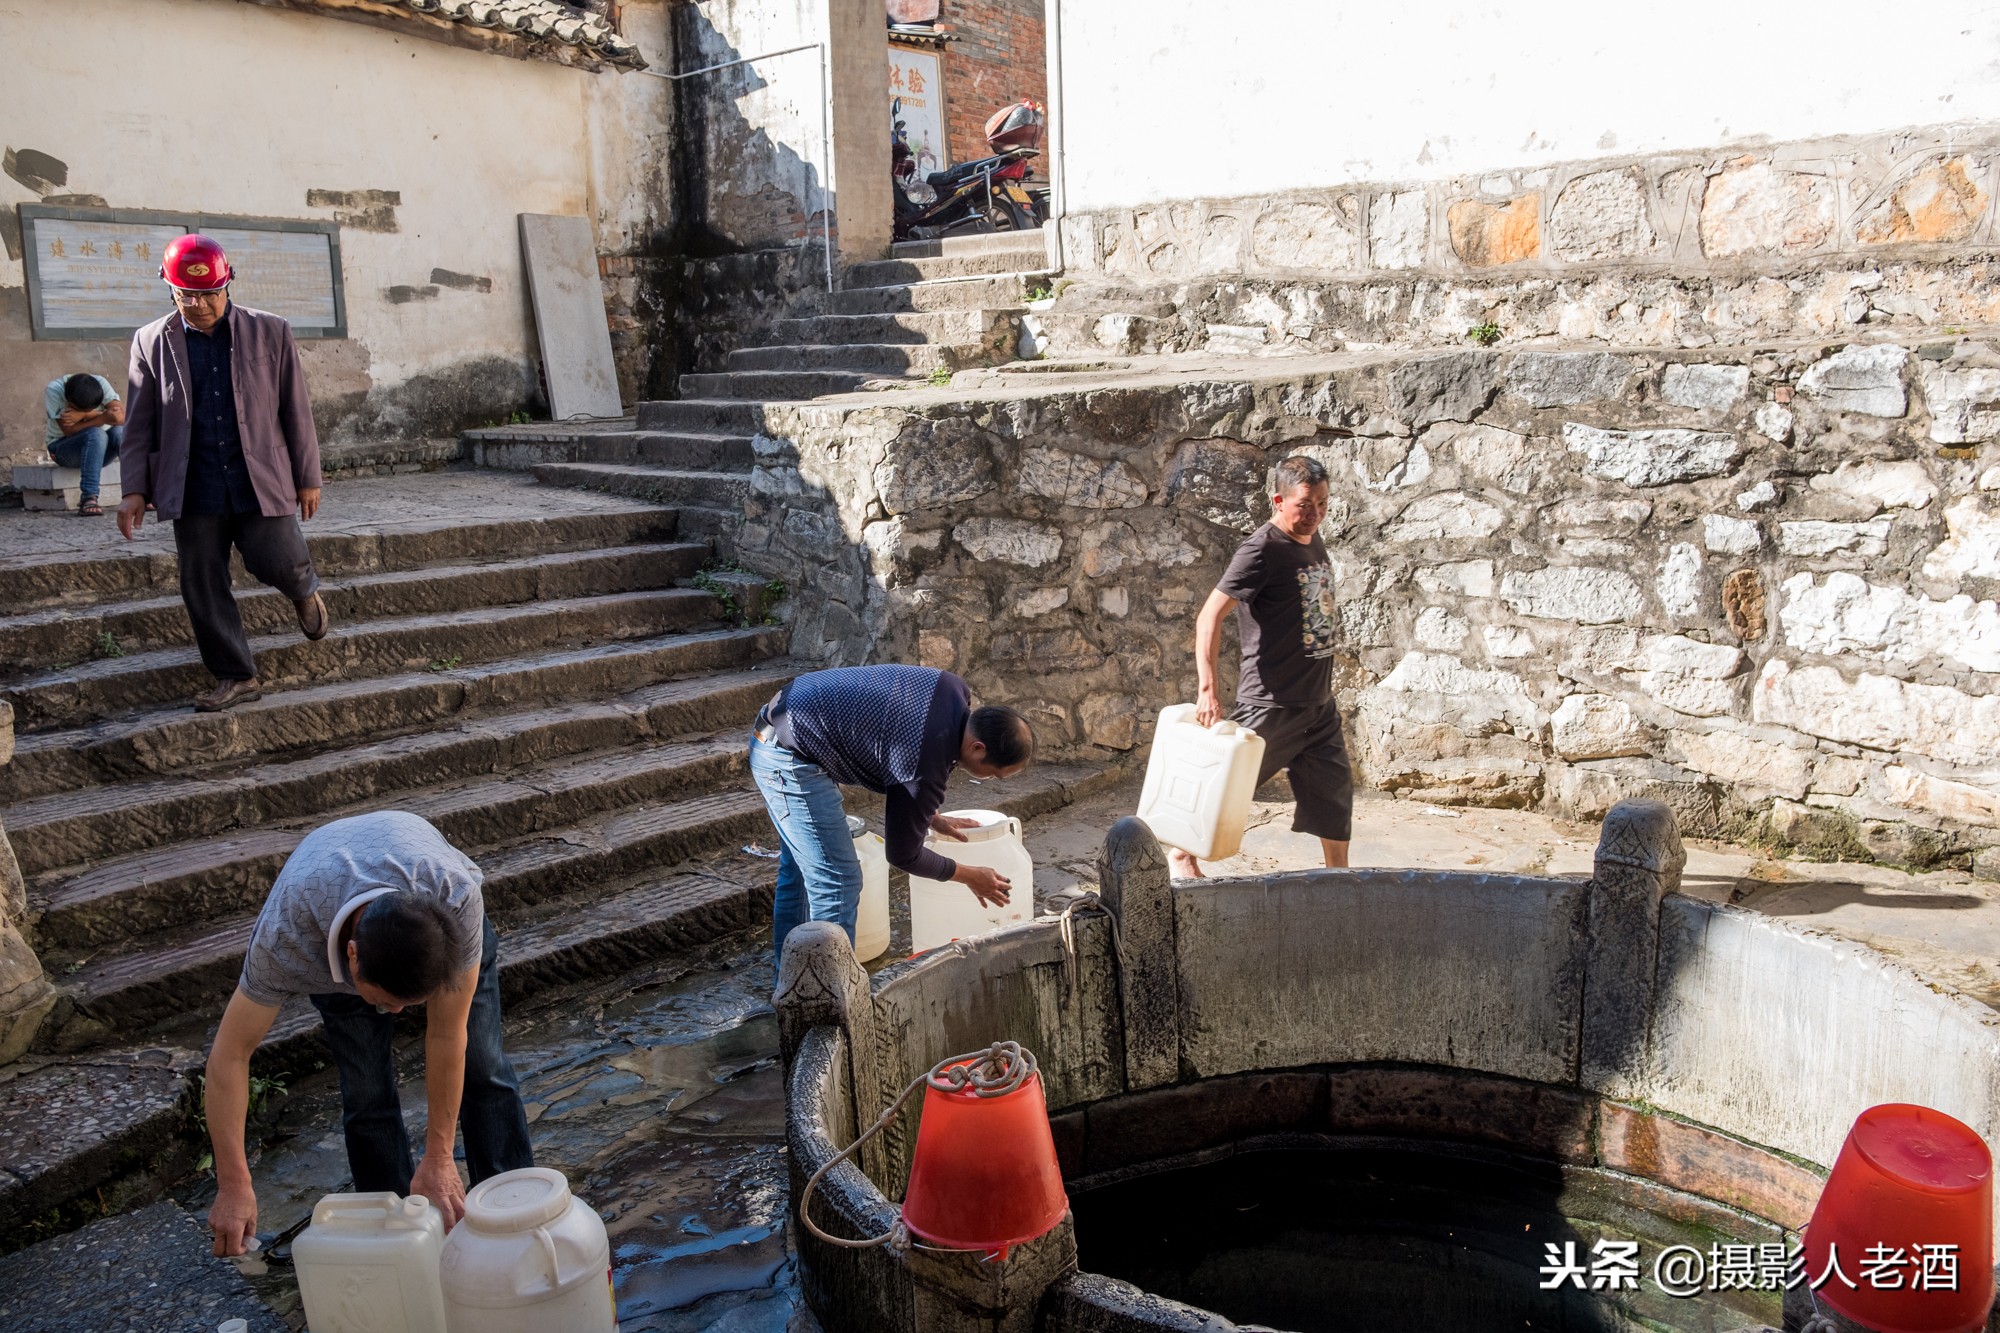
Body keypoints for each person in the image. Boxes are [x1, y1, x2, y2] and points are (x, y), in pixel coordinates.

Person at [204, 810, 534, 1258]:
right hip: (323, 914)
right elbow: (229, 1056)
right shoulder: (286, 941)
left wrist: (438, 1155)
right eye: (385, 1001)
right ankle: (397, 1240)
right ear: (352, 957)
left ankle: (511, 1213)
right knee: (366, 1092)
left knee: (484, 1063)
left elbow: (445, 1033)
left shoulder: (456, 898)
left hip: (428, 900)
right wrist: (234, 1184)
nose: (396, 1014)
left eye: (407, 1004)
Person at [117, 232, 329, 713]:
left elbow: (295, 408)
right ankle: (236, 674)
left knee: (278, 556)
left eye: (211, 293)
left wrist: (307, 475)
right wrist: (134, 490)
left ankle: (303, 591)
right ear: (171, 290)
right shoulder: (150, 342)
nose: (201, 304)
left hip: (260, 473)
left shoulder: (270, 330)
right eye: (188, 294)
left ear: (227, 284)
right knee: (202, 581)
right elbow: (139, 423)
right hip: (192, 481)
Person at [750, 664, 1035, 960]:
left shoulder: (953, 689)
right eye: (993, 774)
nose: (988, 780)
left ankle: (789, 982)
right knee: (838, 880)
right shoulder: (926, 760)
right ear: (978, 748)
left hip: (786, 720)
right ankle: (827, 997)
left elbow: (895, 750)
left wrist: (929, 816)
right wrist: (970, 876)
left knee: (798, 871)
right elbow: (903, 855)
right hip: (788, 756)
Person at [1172, 453, 1354, 878]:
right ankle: (1182, 854)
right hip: (1272, 700)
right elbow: (1209, 616)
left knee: (1334, 792)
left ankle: (1339, 879)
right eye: (1305, 505)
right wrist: (1207, 690)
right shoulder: (1261, 549)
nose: (1315, 514)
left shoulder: (1312, 539)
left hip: (1316, 703)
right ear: (1278, 500)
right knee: (1227, 787)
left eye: (1323, 504)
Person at [43, 372, 124, 517]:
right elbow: (69, 430)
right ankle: (89, 497)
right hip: (65, 448)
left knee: (120, 432)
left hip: (102, 448)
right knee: (96, 434)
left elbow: (121, 417)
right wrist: (104, 416)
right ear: (69, 402)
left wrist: (85, 416)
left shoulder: (100, 383)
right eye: (79, 410)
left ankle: (140, 491)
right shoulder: (54, 390)